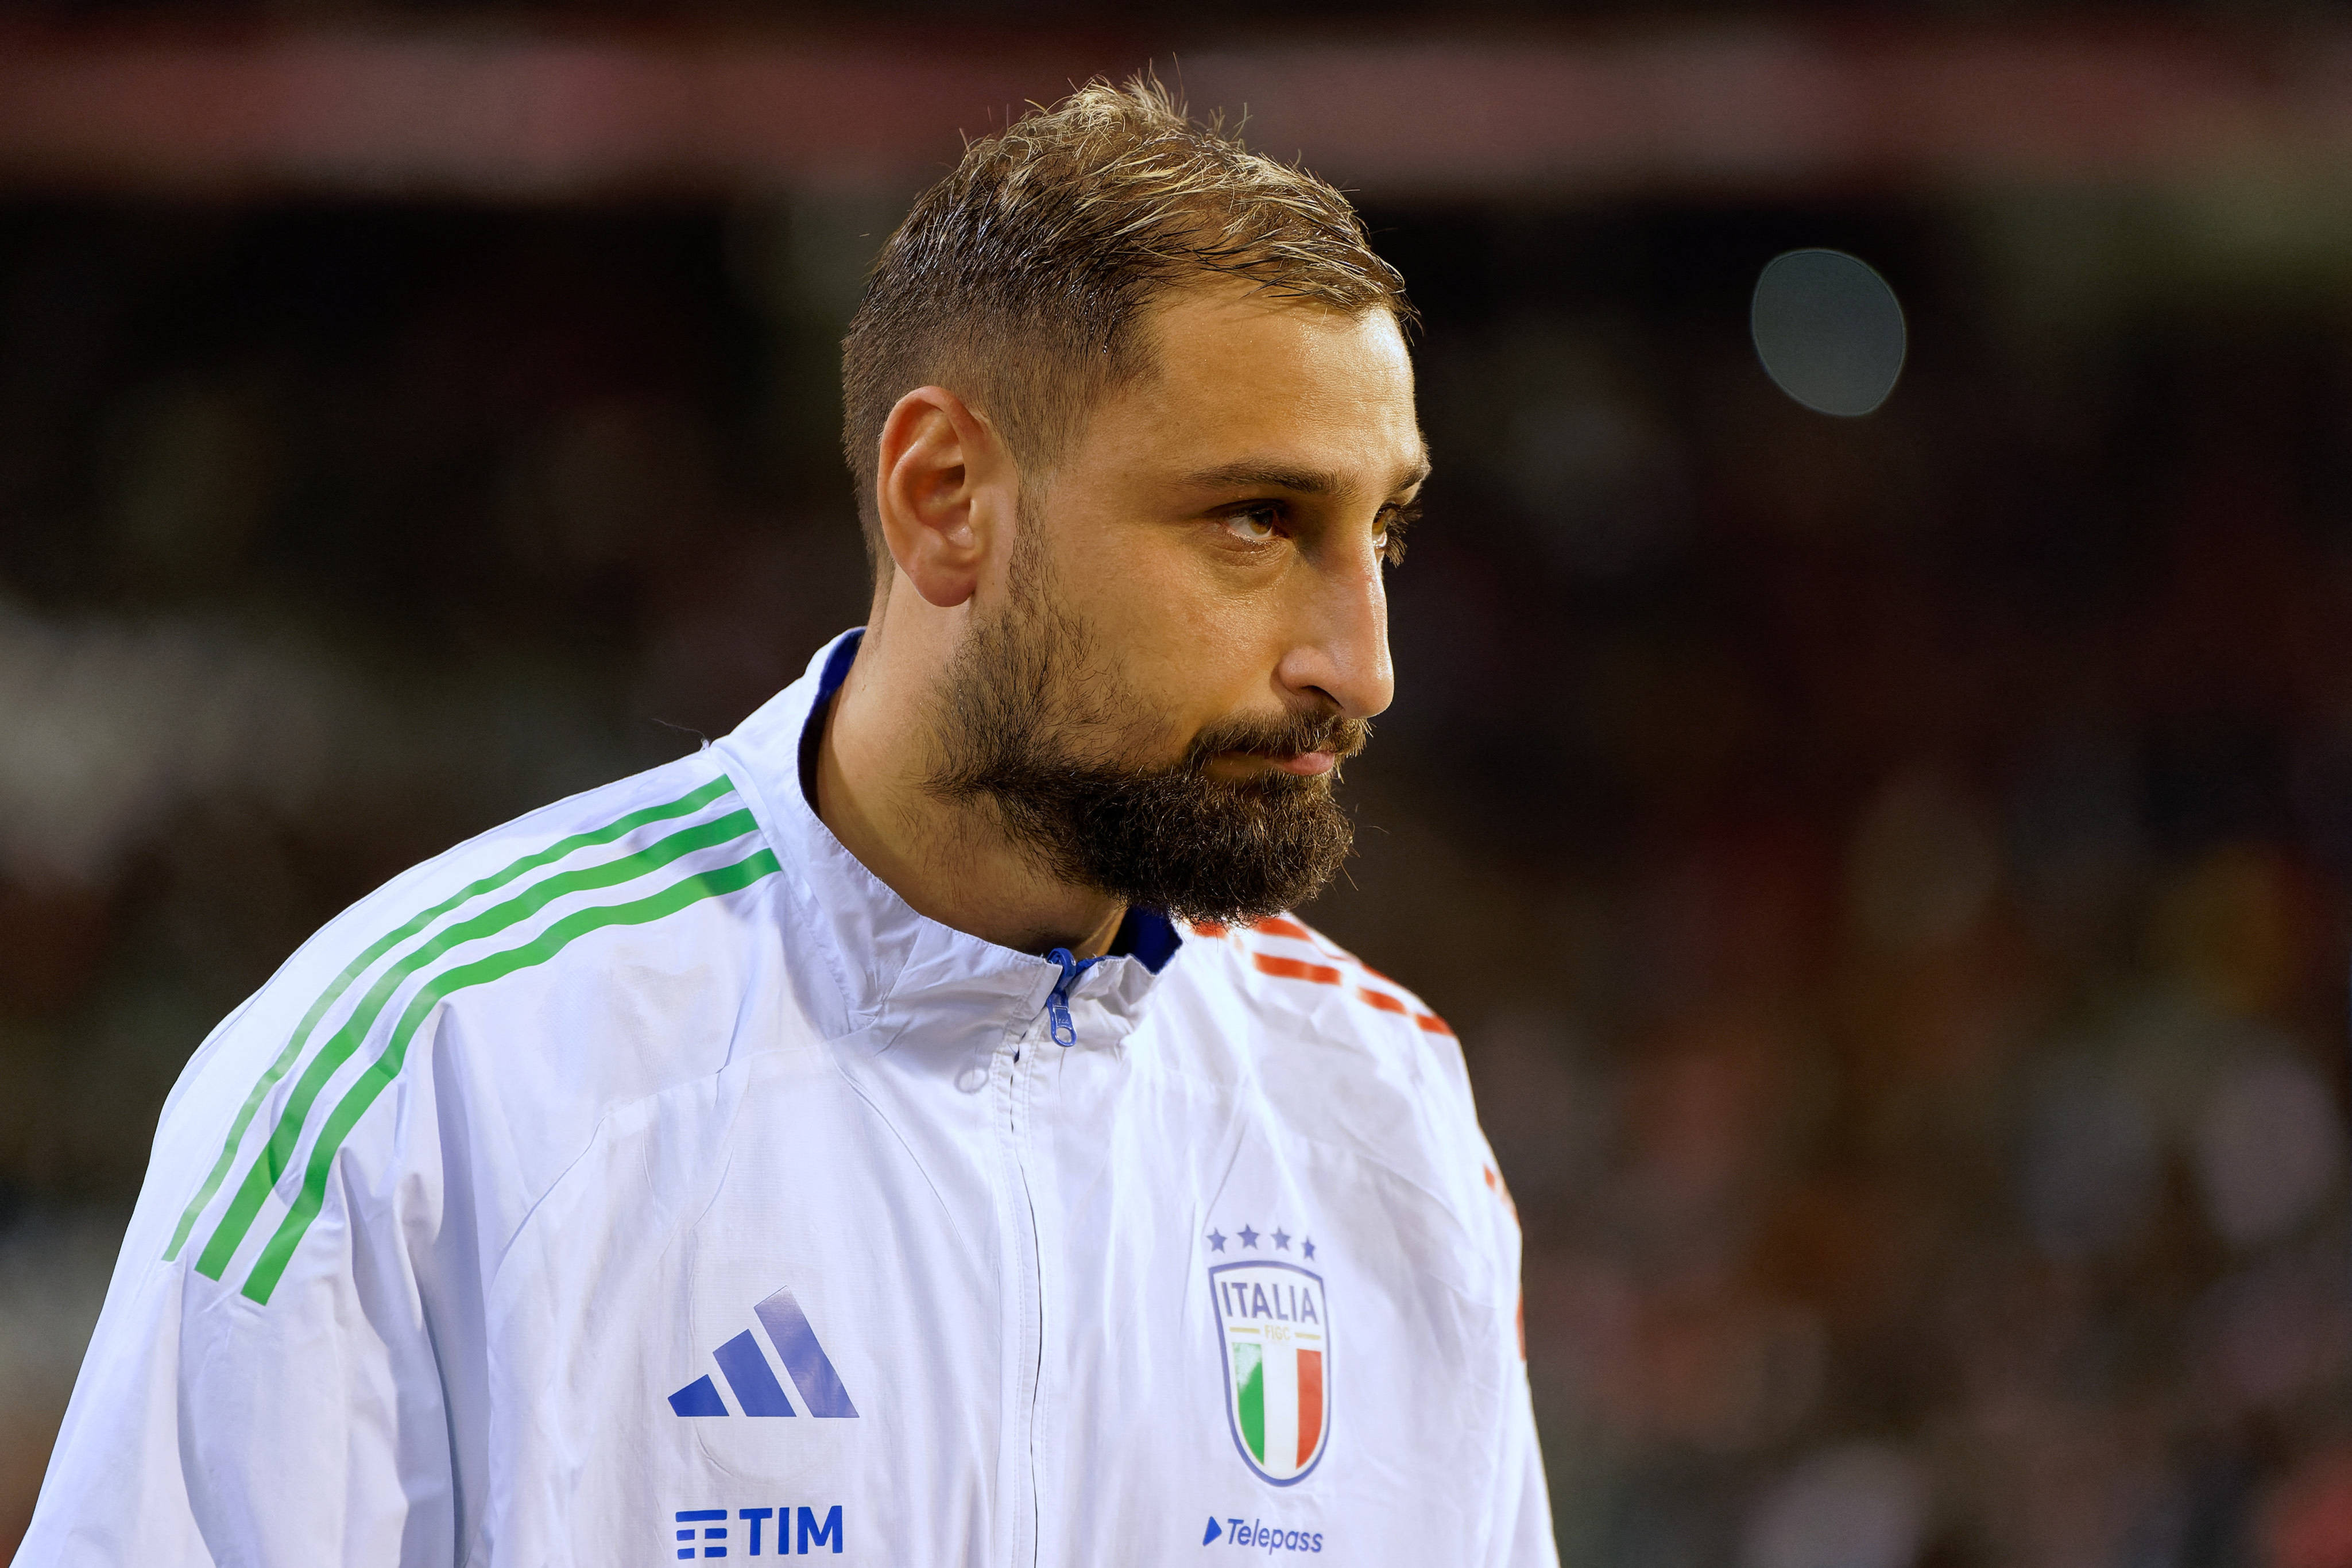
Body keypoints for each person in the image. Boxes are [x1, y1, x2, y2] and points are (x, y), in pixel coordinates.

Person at [17, 79, 1554, 1566]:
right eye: (1258, 521)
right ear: (945, 498)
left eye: (1384, 531)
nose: (1363, 666)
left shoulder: (1386, 1115)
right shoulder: (427, 1074)